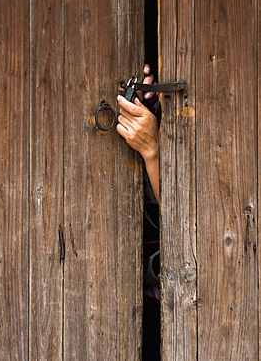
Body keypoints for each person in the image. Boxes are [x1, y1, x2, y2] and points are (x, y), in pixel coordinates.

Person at [117, 64, 161, 360]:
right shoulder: (146, 108)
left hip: (170, 300)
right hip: (122, 297)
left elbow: (187, 217)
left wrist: (152, 151)